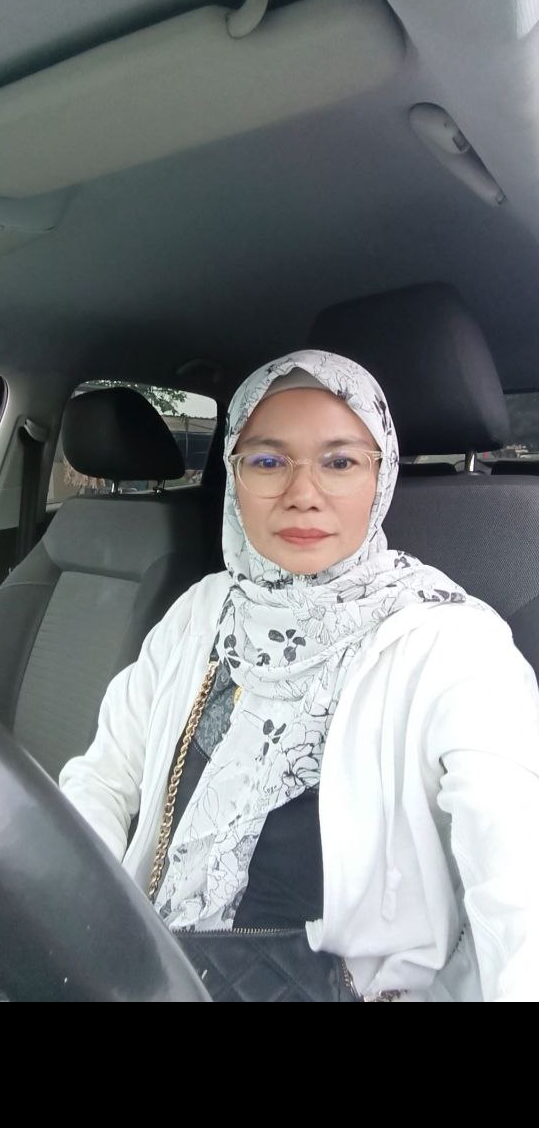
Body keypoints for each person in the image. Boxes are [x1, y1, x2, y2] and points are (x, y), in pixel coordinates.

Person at [60, 349, 539, 1001]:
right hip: (154, 969)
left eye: (340, 462)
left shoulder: (452, 644)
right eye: (267, 461)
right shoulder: (203, 611)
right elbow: (103, 777)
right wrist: (70, 924)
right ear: (233, 476)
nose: (303, 495)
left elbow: (515, 880)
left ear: (381, 476)